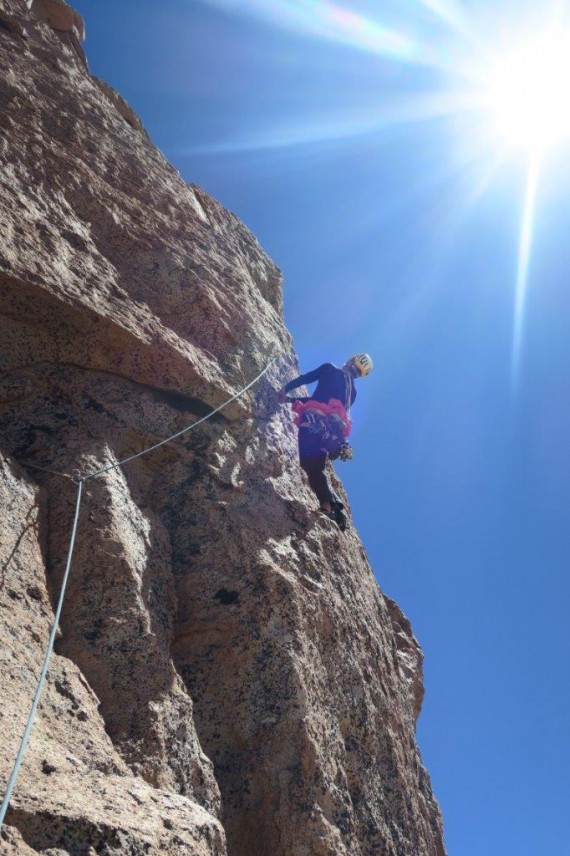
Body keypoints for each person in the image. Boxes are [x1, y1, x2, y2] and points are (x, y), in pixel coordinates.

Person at [278, 354, 373, 530]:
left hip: (314, 420)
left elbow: (308, 382)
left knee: (307, 463)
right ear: (360, 374)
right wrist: (290, 401)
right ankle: (330, 504)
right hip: (332, 432)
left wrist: (286, 390)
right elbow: (330, 403)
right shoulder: (352, 392)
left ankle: (329, 504)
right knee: (316, 467)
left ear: (351, 361)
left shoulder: (330, 369)